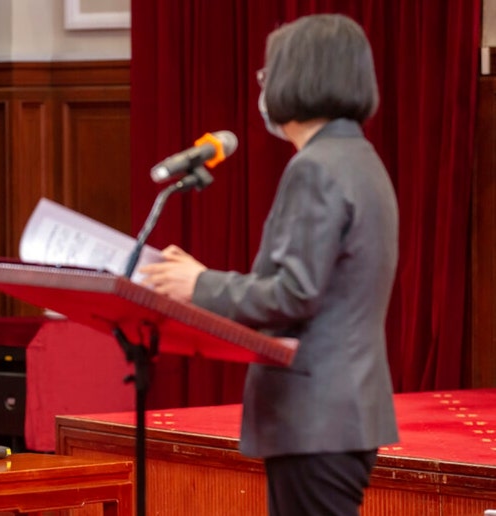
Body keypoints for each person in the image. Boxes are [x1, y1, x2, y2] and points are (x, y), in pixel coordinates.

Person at [139, 14, 398, 516]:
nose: (263, 83)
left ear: (302, 74)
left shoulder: (316, 167)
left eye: (269, 71)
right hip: (344, 411)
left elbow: (293, 294)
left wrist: (200, 284)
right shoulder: (359, 157)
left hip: (315, 414)